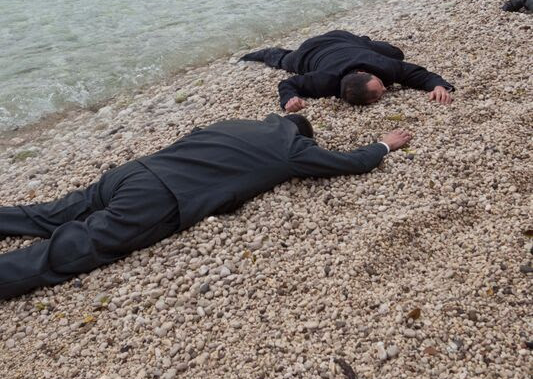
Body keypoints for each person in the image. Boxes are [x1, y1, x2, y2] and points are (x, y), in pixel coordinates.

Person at [0, 114, 412, 300]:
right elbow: (350, 163)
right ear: (304, 139)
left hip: (131, 172)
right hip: (161, 197)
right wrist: (382, 145)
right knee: (81, 244)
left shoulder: (237, 123)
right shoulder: (292, 151)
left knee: (53, 212)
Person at [240, 29, 454, 112]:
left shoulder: (382, 67)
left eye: (380, 86)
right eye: (381, 91)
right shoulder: (323, 81)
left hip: (344, 38)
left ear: (363, 73)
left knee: (397, 54)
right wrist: (290, 98)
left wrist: (438, 85)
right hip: (310, 52)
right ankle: (251, 55)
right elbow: (288, 84)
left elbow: (418, 74)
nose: (386, 89)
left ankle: (364, 42)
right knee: (286, 60)